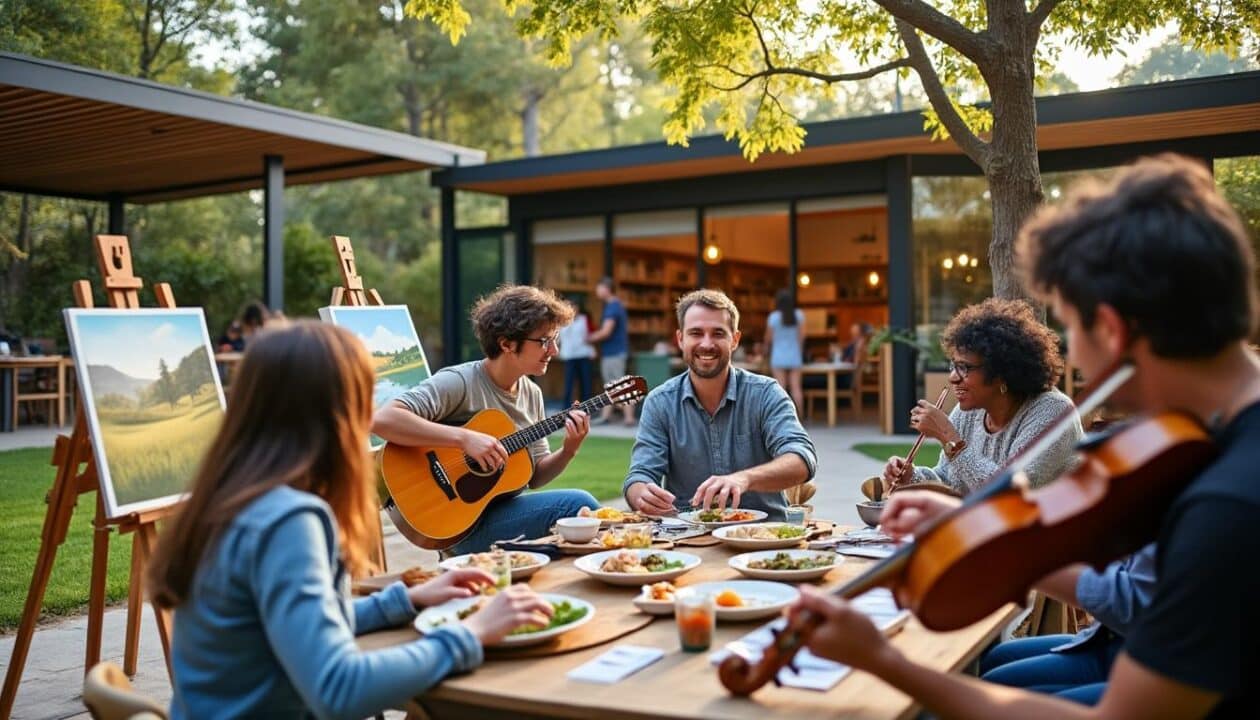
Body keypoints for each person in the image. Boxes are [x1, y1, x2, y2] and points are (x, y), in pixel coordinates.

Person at [787, 154, 1260, 718]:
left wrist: (884, 662)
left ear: (1110, 328)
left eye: (1070, 325)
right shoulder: (1212, 438)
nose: (1075, 354)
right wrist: (967, 525)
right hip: (1139, 649)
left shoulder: (1230, 500)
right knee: (984, 663)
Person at [146, 322, 556, 719]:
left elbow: (296, 628)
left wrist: (404, 601)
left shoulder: (229, 496)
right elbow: (340, 690)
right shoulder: (288, 522)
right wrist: (472, 632)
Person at [372, 285, 598, 554]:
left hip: (498, 516)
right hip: (455, 529)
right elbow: (383, 420)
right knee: (577, 506)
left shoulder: (532, 394)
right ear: (506, 344)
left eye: (556, 339)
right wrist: (464, 438)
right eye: (545, 341)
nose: (555, 350)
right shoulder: (459, 382)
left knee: (574, 532)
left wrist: (569, 450)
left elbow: (534, 476)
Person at [623, 289, 817, 520]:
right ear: (680, 339)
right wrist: (640, 494)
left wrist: (743, 479)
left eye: (718, 333)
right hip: (688, 538)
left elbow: (801, 459)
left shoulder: (766, 394)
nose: (707, 344)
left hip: (763, 538)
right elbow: (639, 475)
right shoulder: (660, 403)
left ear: (734, 340)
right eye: (696, 333)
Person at [881, 298, 1081, 496]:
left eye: (964, 368)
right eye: (953, 365)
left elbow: (1011, 494)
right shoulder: (966, 413)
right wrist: (912, 477)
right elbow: (949, 480)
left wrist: (949, 438)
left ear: (1002, 373)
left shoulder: (1054, 412)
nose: (953, 378)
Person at [978, 543, 1157, 704]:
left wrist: (1024, 563)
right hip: (1113, 639)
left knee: (1000, 688)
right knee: (1000, 656)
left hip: (1151, 664)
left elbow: (1130, 604)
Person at [587, 277, 635, 426]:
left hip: (614, 352)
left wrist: (588, 338)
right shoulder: (615, 306)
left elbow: (606, 331)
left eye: (599, 287)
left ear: (607, 289)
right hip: (613, 352)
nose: (597, 291)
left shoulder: (613, 307)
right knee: (611, 385)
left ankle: (629, 418)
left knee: (620, 384)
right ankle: (606, 416)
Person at [765, 288, 806, 415]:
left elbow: (768, 338)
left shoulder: (773, 317)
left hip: (778, 356)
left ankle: (783, 417)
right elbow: (802, 336)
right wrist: (799, 351)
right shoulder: (798, 315)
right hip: (794, 355)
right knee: (796, 388)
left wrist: (765, 351)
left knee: (781, 389)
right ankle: (800, 416)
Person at [557, 296, 595, 405]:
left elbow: (591, 335)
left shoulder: (585, 319)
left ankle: (587, 407)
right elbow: (558, 337)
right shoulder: (562, 321)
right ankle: (566, 407)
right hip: (569, 355)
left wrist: (593, 350)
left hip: (584, 354)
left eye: (574, 306)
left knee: (586, 382)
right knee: (568, 383)